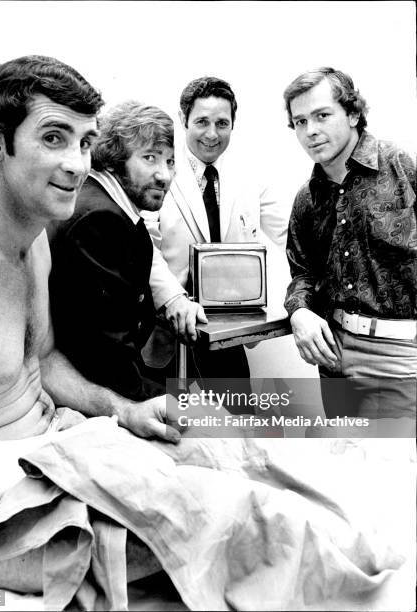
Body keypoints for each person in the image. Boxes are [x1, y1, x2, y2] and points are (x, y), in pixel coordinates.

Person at [0, 55, 181, 588]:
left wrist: (123, 413)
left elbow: (41, 360)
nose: (78, 163)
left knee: (219, 454)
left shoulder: (34, 238)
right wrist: (37, 460)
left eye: (86, 142)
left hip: (50, 452)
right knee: (192, 528)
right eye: (54, 138)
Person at [283, 67, 416, 423]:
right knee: (343, 471)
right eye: (299, 122)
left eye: (322, 115)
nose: (310, 131)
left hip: (399, 356)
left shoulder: (402, 168)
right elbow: (302, 274)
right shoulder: (306, 199)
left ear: (353, 113)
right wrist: (299, 312)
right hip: (333, 355)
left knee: (396, 472)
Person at [141, 76, 288, 384]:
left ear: (233, 124)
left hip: (226, 335)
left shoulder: (250, 176)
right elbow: (145, 249)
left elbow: (291, 235)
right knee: (173, 427)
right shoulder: (159, 172)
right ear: (183, 120)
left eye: (222, 123)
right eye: (202, 122)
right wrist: (174, 301)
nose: (211, 134)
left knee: (238, 422)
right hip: (168, 335)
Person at [49, 101, 182, 401]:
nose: (165, 175)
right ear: (113, 158)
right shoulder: (100, 220)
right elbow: (107, 362)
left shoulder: (103, 204)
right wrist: (187, 409)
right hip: (92, 396)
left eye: (170, 162)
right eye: (150, 158)